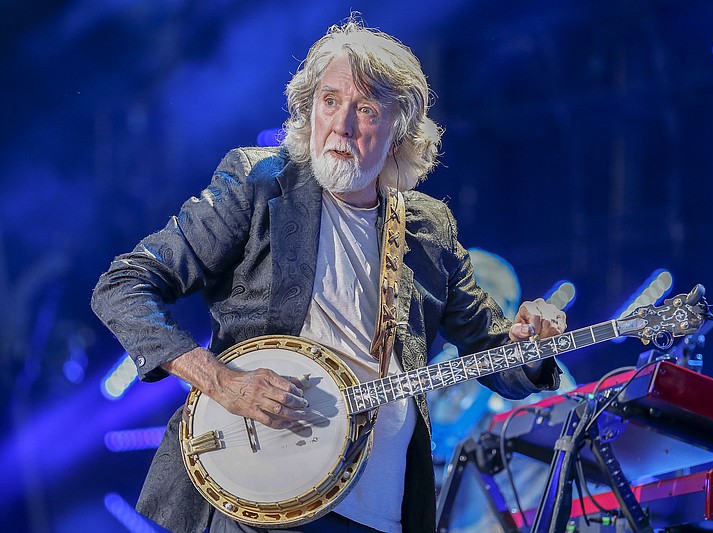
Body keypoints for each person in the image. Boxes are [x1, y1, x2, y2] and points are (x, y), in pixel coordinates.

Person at [91, 17, 567, 533]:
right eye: (330, 101)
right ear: (309, 108)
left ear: (398, 133)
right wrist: (221, 382)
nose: (341, 125)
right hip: (259, 502)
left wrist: (529, 342)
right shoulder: (258, 186)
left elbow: (496, 356)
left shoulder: (428, 229)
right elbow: (124, 286)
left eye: (365, 110)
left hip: (380, 513)